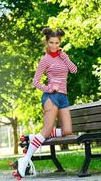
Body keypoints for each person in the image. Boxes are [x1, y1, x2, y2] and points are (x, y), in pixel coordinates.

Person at [14, 28, 77, 179]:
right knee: (48, 129)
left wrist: (64, 57)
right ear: (47, 43)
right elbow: (35, 81)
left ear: (60, 42)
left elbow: (74, 70)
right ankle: (25, 160)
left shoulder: (63, 56)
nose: (54, 46)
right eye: (51, 43)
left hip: (63, 97)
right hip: (51, 97)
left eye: (57, 43)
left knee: (68, 130)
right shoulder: (45, 60)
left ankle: (33, 138)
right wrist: (49, 88)